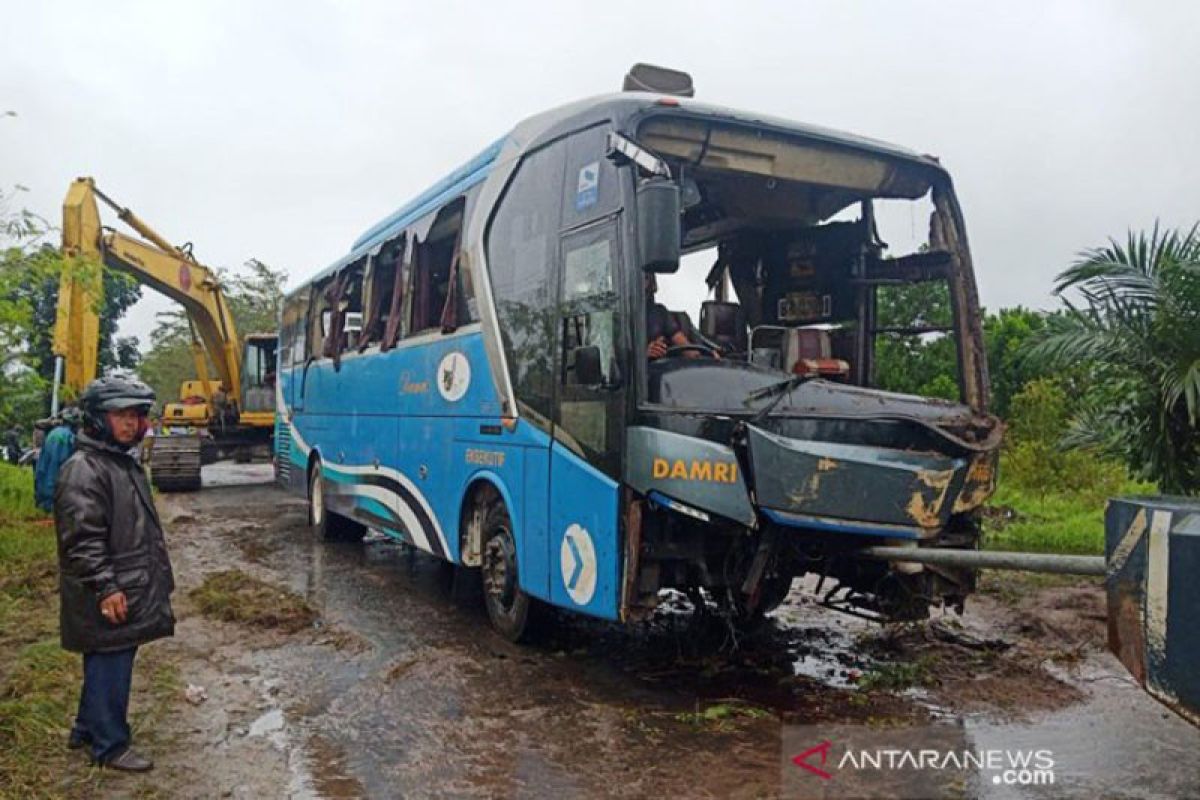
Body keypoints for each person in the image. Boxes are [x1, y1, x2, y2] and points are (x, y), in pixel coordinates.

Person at [54, 376, 174, 772]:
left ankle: (86, 728)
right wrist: (106, 587)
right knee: (110, 661)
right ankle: (110, 746)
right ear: (97, 418)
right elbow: (82, 540)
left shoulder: (119, 461)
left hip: (129, 583)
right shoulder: (85, 469)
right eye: (121, 414)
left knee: (107, 658)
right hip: (109, 588)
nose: (131, 424)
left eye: (137, 415)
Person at [35, 408, 80, 512]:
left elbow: (42, 462)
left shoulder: (52, 433)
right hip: (56, 493)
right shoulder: (69, 436)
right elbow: (65, 463)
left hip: (43, 489)